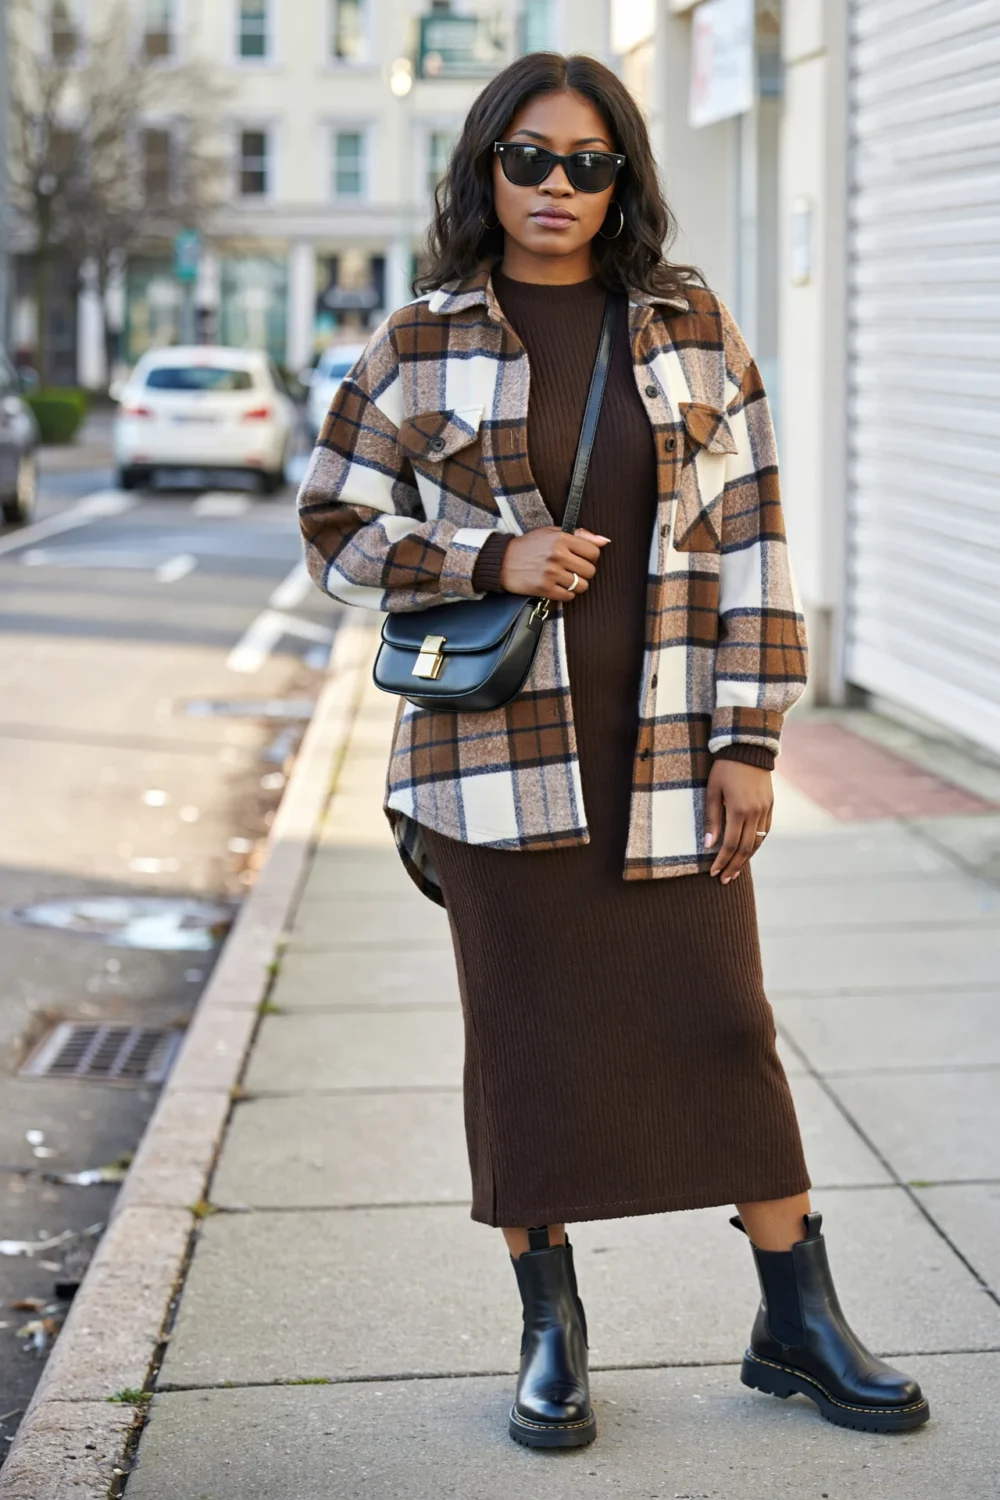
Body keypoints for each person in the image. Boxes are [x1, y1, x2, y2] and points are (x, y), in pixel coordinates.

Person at [298, 52, 929, 1450]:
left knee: (724, 1026)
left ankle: (797, 1318)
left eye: (590, 164)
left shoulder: (689, 323)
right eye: (531, 158)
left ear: (624, 180)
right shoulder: (419, 338)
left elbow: (759, 539)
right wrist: (488, 553)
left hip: (668, 749)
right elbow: (336, 529)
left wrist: (750, 740)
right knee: (524, 1048)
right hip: (490, 757)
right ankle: (551, 1333)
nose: (558, 188)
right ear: (485, 166)